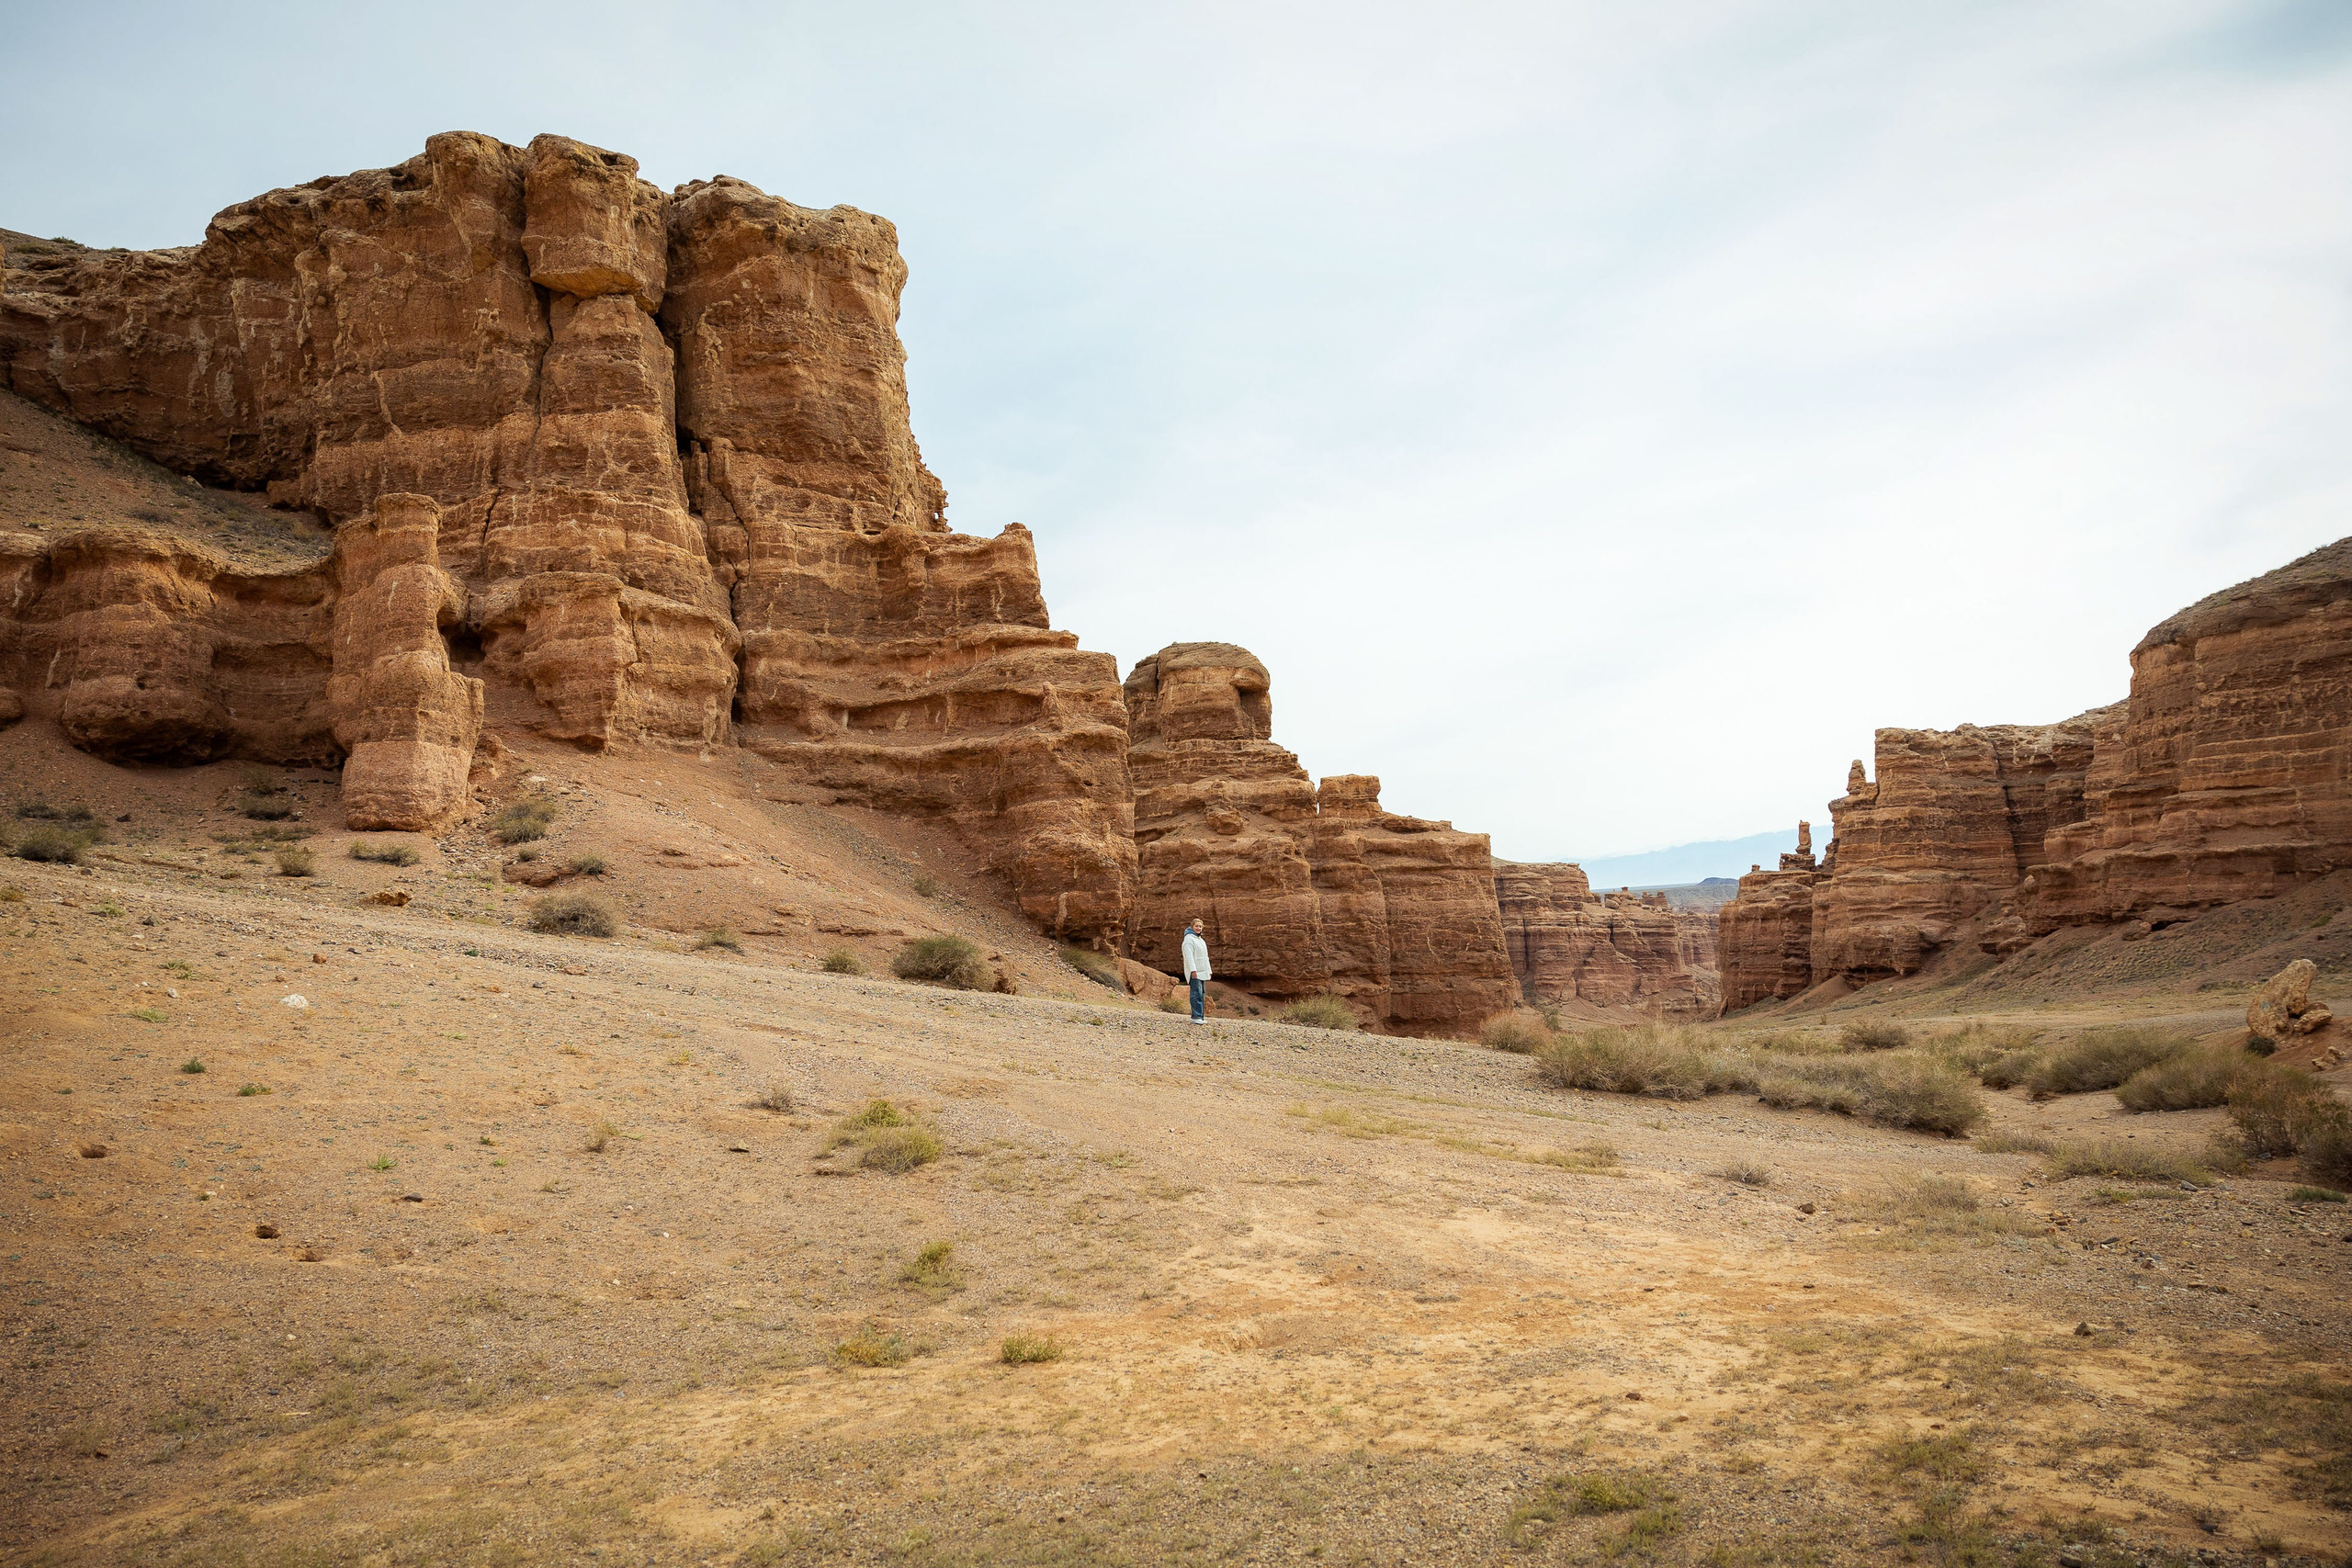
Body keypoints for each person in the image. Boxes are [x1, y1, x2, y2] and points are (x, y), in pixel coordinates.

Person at [1180, 919, 1211, 1024]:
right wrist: (1193, 970)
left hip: (1203, 971)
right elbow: (1189, 957)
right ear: (1192, 927)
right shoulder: (1188, 940)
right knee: (1196, 993)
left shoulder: (1201, 940)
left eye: (1200, 926)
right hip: (1195, 972)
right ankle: (1195, 1017)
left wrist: (1209, 970)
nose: (1198, 928)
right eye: (1197, 926)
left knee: (1201, 994)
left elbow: (1205, 957)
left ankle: (1200, 1017)